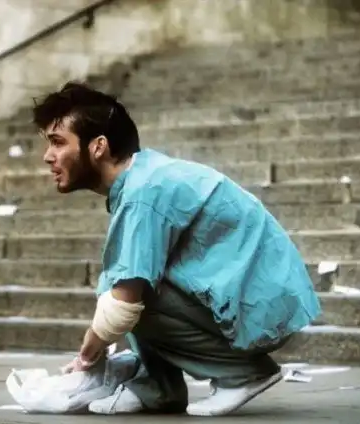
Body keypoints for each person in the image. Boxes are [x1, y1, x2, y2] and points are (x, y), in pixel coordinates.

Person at [30, 81, 321, 417]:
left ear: (98, 147)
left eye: (58, 142)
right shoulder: (143, 176)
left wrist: (86, 357)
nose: (48, 156)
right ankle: (157, 388)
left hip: (261, 307)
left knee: (128, 292)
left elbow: (124, 301)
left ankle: (244, 374)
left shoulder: (143, 192)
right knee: (126, 274)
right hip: (254, 297)